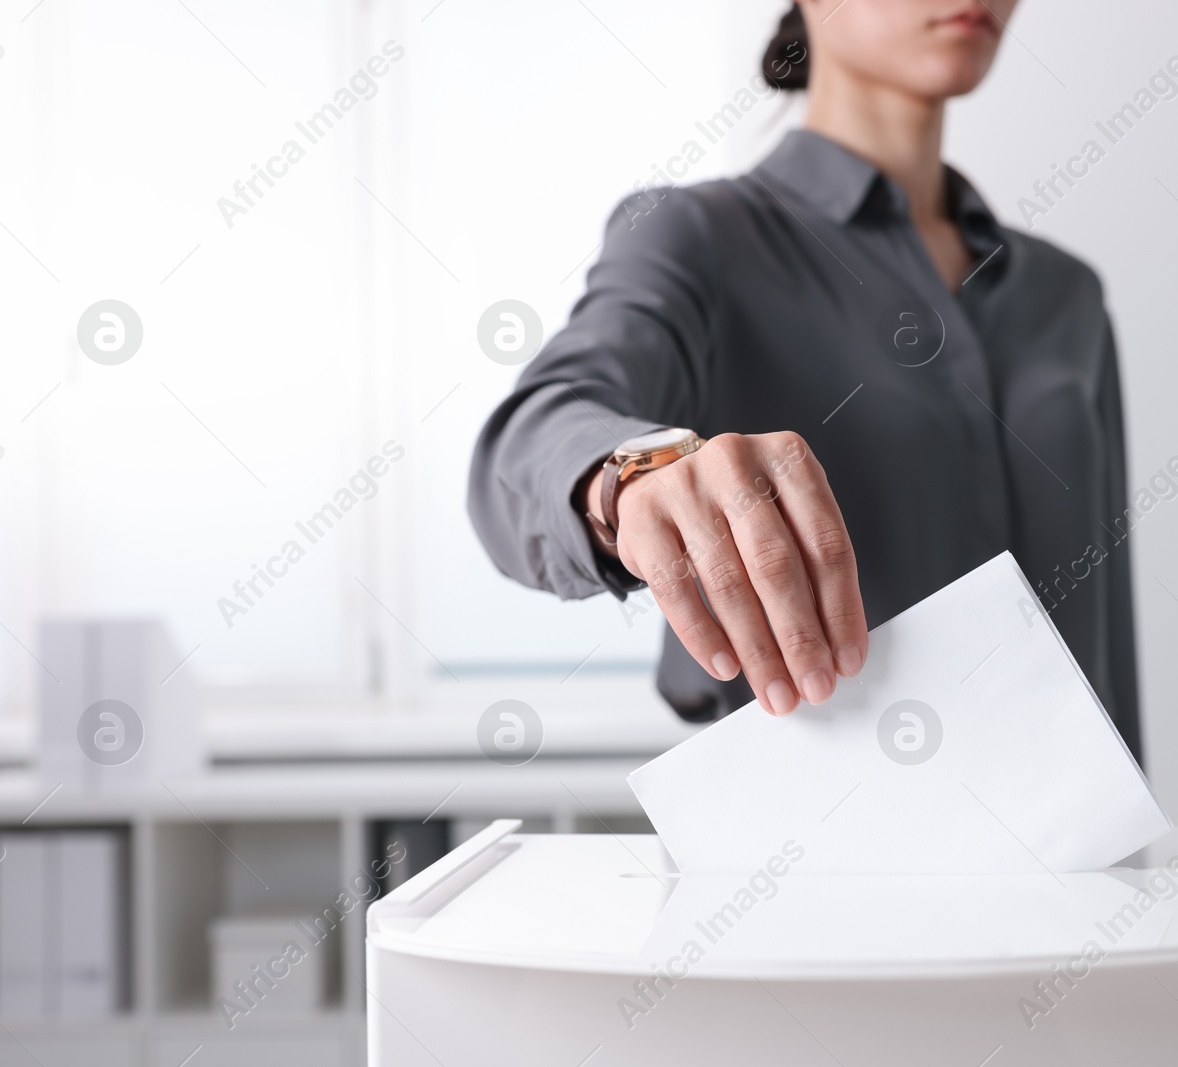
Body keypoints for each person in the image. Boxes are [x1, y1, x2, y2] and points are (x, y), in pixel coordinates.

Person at [469, 0, 1142, 763]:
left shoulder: (1067, 295)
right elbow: (529, 441)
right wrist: (630, 477)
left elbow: (1108, 651)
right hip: (806, 857)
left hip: (1077, 856)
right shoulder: (697, 238)